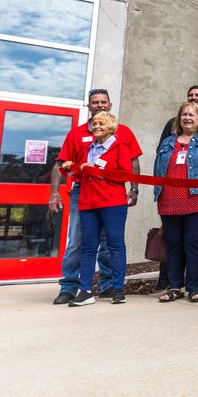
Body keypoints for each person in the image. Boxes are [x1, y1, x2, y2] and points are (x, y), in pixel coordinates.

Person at [49, 88, 142, 305]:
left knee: (110, 244)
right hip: (83, 194)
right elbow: (60, 165)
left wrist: (134, 189)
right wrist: (55, 192)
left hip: (112, 195)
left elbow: (133, 164)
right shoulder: (77, 134)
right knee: (78, 243)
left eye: (103, 102)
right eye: (95, 102)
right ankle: (70, 287)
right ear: (89, 106)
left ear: (109, 105)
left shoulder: (124, 134)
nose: (99, 105)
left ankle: (109, 286)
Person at [155, 102, 198, 303]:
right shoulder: (168, 142)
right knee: (174, 244)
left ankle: (195, 287)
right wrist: (158, 193)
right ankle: (175, 286)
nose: (187, 118)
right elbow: (158, 170)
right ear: (179, 118)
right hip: (169, 199)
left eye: (192, 115)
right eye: (184, 114)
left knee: (193, 244)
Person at [63, 112, 133, 306]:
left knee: (115, 245)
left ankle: (118, 288)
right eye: (94, 123)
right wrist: (73, 168)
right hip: (88, 202)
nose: (96, 126)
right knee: (88, 247)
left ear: (111, 127)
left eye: (101, 123)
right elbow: (80, 176)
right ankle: (85, 291)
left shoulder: (120, 147)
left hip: (112, 203)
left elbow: (125, 175)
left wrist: (97, 170)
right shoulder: (87, 148)